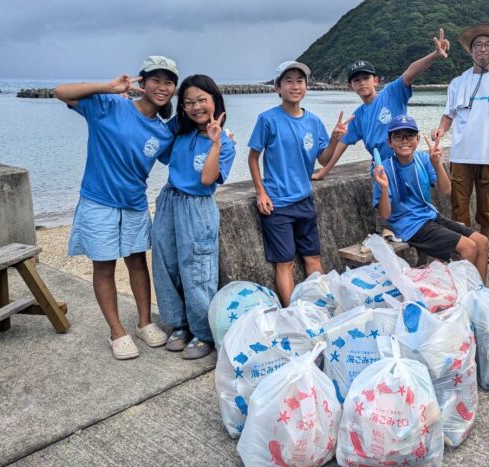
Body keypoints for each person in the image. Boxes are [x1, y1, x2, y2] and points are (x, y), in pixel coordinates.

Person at [54, 56, 178, 360]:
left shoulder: (164, 132)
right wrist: (110, 86)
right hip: (98, 202)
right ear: (142, 82)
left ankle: (144, 322)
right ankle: (116, 331)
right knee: (104, 265)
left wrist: (222, 141)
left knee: (137, 262)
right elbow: (61, 91)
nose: (162, 87)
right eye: (156, 80)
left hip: (135, 204)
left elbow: (183, 157)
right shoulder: (109, 106)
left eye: (169, 82)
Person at [247, 61, 347, 305]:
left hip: (304, 200)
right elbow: (253, 158)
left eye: (300, 81)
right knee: (286, 262)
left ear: (306, 87)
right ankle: (292, 312)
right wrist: (261, 193)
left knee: (313, 258)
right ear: (277, 88)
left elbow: (323, 158)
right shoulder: (268, 119)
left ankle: (323, 306)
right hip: (278, 204)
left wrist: (334, 140)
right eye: (288, 81)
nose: (295, 86)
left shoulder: (313, 122)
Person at [151, 75, 235, 360]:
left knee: (198, 270)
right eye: (188, 102)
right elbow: (154, 137)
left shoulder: (225, 143)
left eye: (201, 100)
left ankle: (204, 333)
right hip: (169, 201)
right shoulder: (179, 131)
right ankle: (179, 323)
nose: (196, 106)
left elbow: (208, 179)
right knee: (167, 264)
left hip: (198, 207)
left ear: (214, 101)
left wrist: (215, 143)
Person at [431, 24, 489, 264]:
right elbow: (448, 115)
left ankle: (485, 246)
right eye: (478, 45)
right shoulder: (457, 83)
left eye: (487, 45)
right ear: (471, 51)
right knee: (458, 204)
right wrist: (441, 129)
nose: (482, 49)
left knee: (487, 206)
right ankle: (464, 247)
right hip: (461, 154)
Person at [312, 28, 451, 180]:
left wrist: (435, 55)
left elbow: (411, 71)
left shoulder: (391, 92)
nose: (362, 83)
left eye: (366, 78)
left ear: (376, 81)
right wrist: (323, 172)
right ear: (350, 86)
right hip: (382, 171)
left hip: (406, 163)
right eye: (356, 80)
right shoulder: (357, 116)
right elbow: (341, 145)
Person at [372, 114, 489, 282]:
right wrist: (383, 188)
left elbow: (446, 189)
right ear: (389, 142)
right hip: (409, 225)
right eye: (398, 136)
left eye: (410, 135)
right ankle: (463, 298)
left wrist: (437, 163)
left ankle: (480, 294)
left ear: (418, 139)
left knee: (482, 242)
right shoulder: (385, 169)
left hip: (430, 216)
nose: (404, 140)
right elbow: (385, 214)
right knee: (468, 247)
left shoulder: (423, 159)